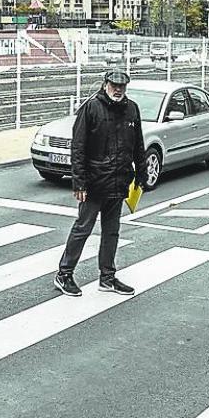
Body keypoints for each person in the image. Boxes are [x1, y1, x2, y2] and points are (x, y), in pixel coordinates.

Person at [54, 70, 146, 297]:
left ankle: (107, 277)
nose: (118, 90)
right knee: (83, 228)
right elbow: (78, 147)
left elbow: (138, 144)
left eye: (122, 86)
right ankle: (64, 274)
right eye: (114, 85)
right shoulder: (91, 108)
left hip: (119, 181)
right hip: (94, 183)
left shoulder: (132, 109)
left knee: (112, 231)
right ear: (105, 84)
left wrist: (141, 174)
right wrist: (79, 183)